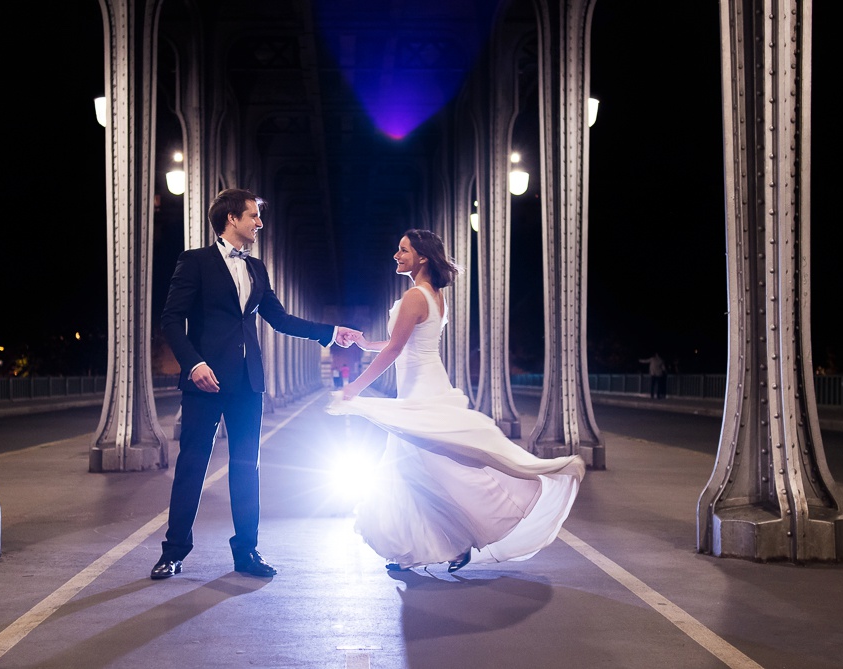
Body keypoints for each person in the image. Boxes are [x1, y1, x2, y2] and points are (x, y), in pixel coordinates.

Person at [328, 229, 585, 573]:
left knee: (439, 471)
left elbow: (396, 349)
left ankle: (461, 538)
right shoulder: (433, 296)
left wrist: (355, 387)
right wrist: (366, 345)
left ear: (421, 257)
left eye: (403, 250)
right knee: (412, 471)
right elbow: (402, 344)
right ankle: (418, 548)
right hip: (427, 385)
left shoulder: (415, 297)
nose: (396, 255)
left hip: (422, 395)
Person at [155, 188, 360, 579]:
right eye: (253, 216)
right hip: (205, 381)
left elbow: (280, 320)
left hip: (248, 384)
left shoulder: (257, 269)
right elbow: (170, 319)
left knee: (246, 468)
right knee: (193, 466)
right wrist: (193, 363)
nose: (259, 223)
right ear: (232, 219)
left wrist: (331, 332)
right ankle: (174, 551)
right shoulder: (195, 262)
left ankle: (246, 553)